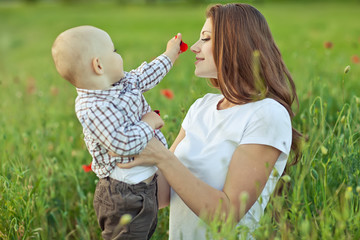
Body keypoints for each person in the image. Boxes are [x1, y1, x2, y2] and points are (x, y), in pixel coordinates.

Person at [117, 3, 302, 240]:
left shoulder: (267, 114)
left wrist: (162, 156)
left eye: (205, 38)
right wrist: (124, 141)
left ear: (236, 44)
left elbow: (227, 215)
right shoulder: (201, 107)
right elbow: (162, 195)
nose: (194, 47)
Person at [51, 25, 183, 239]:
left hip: (143, 188)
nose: (118, 55)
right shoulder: (93, 107)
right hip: (124, 195)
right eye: (114, 51)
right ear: (99, 65)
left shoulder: (119, 83)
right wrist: (148, 123)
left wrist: (170, 54)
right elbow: (122, 143)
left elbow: (144, 75)